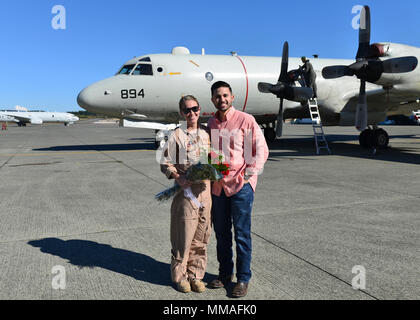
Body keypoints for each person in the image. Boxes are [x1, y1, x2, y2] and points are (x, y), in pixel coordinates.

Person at [207, 81, 269, 298]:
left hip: (240, 187)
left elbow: (259, 150)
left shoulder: (245, 120)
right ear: (213, 99)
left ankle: (243, 278)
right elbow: (213, 153)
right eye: (217, 96)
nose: (221, 99)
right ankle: (225, 274)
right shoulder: (212, 123)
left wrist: (249, 176)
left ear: (232, 97)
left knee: (241, 234)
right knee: (222, 233)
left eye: (225, 95)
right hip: (219, 187)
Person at [160, 95, 212, 293]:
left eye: (195, 108)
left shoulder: (207, 133)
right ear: (182, 113)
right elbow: (165, 162)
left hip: (205, 191)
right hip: (186, 191)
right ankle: (180, 276)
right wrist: (177, 177)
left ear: (200, 109)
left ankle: (196, 275)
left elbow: (214, 157)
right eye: (187, 110)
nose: (192, 113)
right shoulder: (176, 135)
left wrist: (217, 168)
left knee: (202, 235)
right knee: (184, 237)